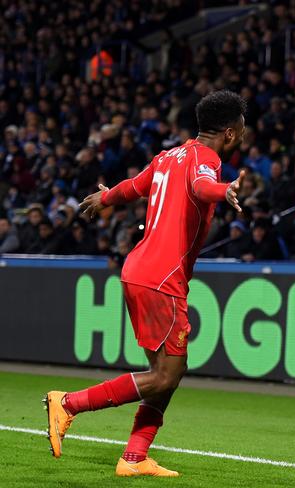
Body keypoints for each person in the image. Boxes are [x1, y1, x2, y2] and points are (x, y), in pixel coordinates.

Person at [44, 90, 247, 477]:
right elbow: (204, 187)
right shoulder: (208, 160)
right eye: (242, 126)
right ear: (230, 133)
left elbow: (133, 186)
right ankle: (69, 403)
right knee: (165, 374)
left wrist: (106, 200)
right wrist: (226, 190)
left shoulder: (170, 155)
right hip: (161, 279)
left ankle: (134, 458)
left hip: (138, 269)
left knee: (167, 372)